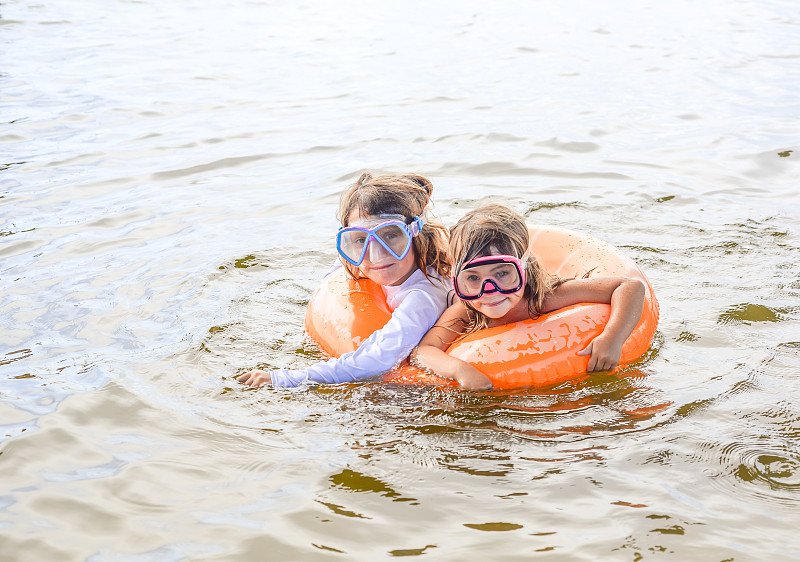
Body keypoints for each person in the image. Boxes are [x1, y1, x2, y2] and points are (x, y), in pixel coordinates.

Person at [237, 172, 451, 388]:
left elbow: (377, 360)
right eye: (360, 239)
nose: (376, 255)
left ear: (415, 233)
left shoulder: (425, 296)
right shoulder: (360, 259)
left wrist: (282, 378)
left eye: (390, 235)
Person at [411, 204, 646, 390]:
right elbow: (424, 351)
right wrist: (460, 370)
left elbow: (629, 287)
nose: (490, 290)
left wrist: (612, 338)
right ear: (457, 281)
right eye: (473, 279)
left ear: (522, 269)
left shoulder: (545, 298)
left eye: (502, 274)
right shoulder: (464, 313)